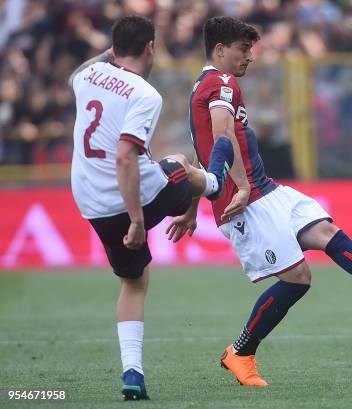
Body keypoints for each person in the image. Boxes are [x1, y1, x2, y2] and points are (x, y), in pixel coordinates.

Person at [166, 16, 352, 387]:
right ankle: (241, 352)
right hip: (249, 203)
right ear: (220, 50)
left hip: (269, 192)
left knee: (331, 236)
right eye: (243, 49)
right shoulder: (221, 82)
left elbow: (203, 157)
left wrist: (188, 209)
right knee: (298, 279)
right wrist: (243, 188)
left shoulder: (206, 85)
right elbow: (221, 137)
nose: (250, 57)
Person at [69, 15, 224, 400]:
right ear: (151, 47)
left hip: (92, 204)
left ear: (113, 48)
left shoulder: (87, 77)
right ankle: (217, 184)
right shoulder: (143, 93)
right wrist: (138, 220)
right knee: (179, 164)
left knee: (134, 281)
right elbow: (125, 157)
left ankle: (133, 374)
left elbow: (77, 72)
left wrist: (109, 52)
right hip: (131, 200)